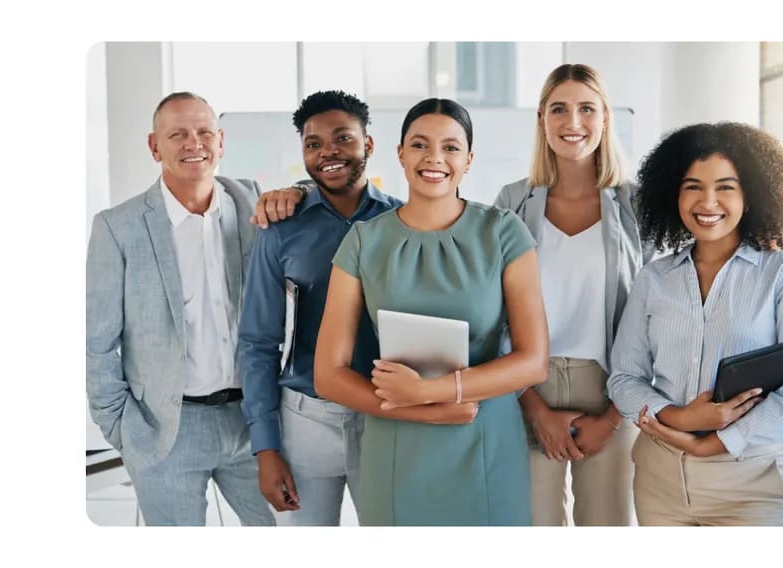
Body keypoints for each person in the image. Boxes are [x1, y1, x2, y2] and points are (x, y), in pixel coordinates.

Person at [314, 98, 550, 526]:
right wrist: (422, 407)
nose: (435, 158)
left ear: (469, 159)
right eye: (420, 145)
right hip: (395, 443)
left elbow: (534, 361)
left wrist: (433, 391)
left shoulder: (503, 233)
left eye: (451, 147)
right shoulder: (363, 241)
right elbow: (328, 374)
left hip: (484, 438)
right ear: (400, 153)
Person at [607, 122, 783, 526]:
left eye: (725, 186)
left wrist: (716, 441)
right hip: (660, 481)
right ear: (674, 194)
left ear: (750, 195)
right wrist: (680, 418)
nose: (708, 201)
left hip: (753, 485)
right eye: (692, 186)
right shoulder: (654, 277)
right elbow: (623, 378)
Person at [86, 92, 275, 526]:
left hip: (254, 424)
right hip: (167, 430)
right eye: (178, 135)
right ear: (155, 147)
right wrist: (125, 430)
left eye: (204, 132)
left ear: (221, 141)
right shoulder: (118, 228)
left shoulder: (255, 204)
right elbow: (97, 343)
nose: (194, 143)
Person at [239, 90, 415, 526]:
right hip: (305, 420)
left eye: (342, 139)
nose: (328, 153)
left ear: (368, 145)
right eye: (313, 144)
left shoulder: (403, 223)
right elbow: (258, 341)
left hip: (385, 417)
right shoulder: (280, 230)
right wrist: (266, 448)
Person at [494, 63, 649, 526]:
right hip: (528, 386)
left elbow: (653, 314)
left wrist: (614, 416)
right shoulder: (512, 202)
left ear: (605, 118)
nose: (573, 123)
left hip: (609, 388)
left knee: (607, 527)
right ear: (542, 118)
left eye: (587, 108)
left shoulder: (636, 205)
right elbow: (493, 311)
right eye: (559, 109)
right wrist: (534, 407)